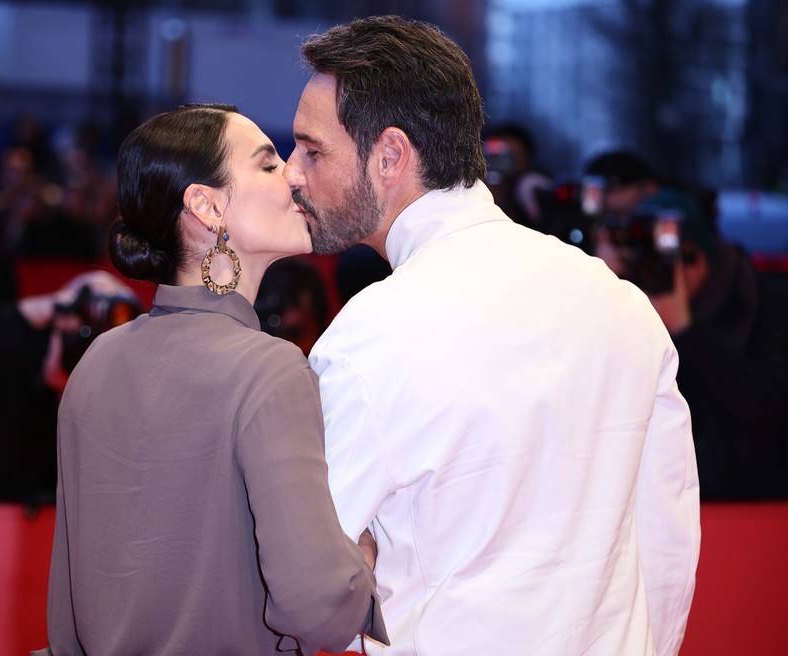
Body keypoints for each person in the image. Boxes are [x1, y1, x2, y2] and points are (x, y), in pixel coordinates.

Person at [285, 15, 700, 655]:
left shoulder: (372, 335)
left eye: (312, 150)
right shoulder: (620, 302)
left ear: (389, 156)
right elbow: (667, 546)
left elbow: (306, 576)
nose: (292, 172)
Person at [40, 104, 386, 655]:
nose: (295, 175)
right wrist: (363, 562)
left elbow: (68, 608)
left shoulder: (98, 361)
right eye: (268, 165)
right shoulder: (269, 369)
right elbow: (316, 604)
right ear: (206, 205)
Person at [587, 150, 788, 499]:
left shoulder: (761, 300)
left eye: (683, 258)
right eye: (653, 259)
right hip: (657, 495)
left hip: (750, 495)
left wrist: (687, 330)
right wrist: (604, 285)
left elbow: (768, 410)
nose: (672, 272)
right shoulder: (631, 303)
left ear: (705, 253)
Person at [0, 270, 141, 502]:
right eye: (82, 333)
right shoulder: (17, 355)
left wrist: (73, 400)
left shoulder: (128, 395)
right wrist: (37, 310)